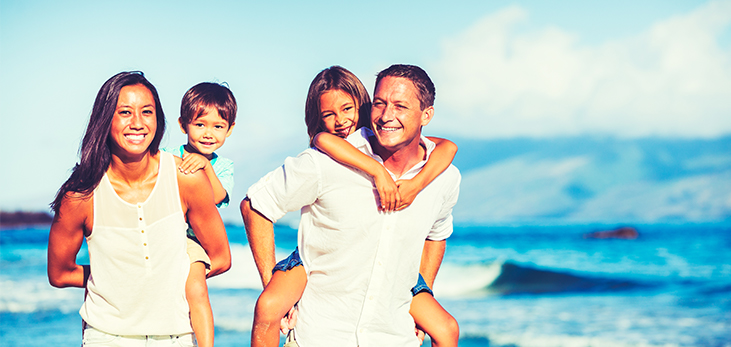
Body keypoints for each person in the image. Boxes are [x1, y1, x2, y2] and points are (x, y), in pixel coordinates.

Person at [241, 64, 461, 346]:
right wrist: (272, 281)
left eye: (400, 106)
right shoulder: (325, 160)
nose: (386, 115)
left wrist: (423, 292)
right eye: (380, 104)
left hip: (394, 338)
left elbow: (436, 233)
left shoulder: (444, 177)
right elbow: (256, 205)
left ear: (426, 115)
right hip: (319, 336)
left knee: (447, 329)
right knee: (267, 307)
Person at [47, 71, 231, 346]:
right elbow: (60, 273)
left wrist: (169, 276)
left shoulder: (186, 178)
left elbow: (221, 258)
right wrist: (111, 277)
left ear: (158, 119)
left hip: (176, 337)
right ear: (105, 118)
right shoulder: (80, 196)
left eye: (147, 112)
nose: (137, 123)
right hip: (106, 337)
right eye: (124, 112)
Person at [164, 82, 237, 347]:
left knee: (195, 286)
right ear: (183, 125)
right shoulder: (167, 156)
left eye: (218, 127)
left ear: (230, 129)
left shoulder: (224, 166)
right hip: (163, 231)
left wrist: (205, 167)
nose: (209, 134)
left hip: (193, 240)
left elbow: (216, 197)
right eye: (200, 124)